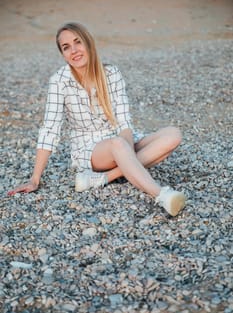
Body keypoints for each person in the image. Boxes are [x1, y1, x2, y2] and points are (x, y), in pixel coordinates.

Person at [8, 22, 186, 216]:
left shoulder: (111, 73)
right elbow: (50, 129)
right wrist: (35, 179)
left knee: (173, 134)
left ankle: (104, 178)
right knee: (119, 145)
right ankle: (162, 195)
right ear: (62, 54)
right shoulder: (59, 81)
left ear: (89, 43)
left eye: (78, 42)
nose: (74, 50)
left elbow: (124, 123)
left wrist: (128, 152)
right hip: (90, 149)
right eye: (66, 47)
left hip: (119, 138)